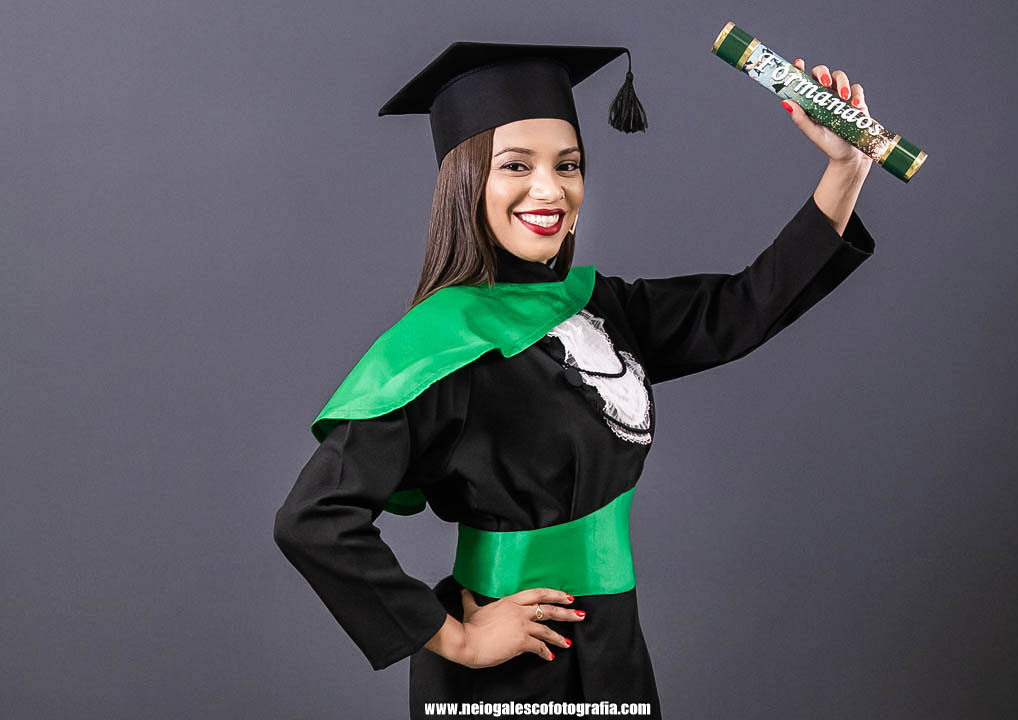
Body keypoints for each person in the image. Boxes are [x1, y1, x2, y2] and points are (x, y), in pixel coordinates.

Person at [273, 41, 877, 718]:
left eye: (568, 165)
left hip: (612, 644)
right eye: (516, 165)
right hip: (514, 676)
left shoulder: (598, 306)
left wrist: (846, 168)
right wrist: (459, 640)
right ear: (466, 182)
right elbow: (313, 519)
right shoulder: (441, 346)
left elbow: (742, 306)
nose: (550, 189)